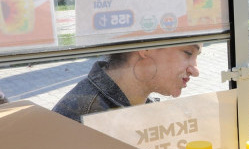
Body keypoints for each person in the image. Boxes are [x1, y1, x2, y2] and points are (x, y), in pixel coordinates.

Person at [52, 45, 201, 122]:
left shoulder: (106, 108)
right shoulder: (88, 118)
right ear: (147, 47)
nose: (195, 71)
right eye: (188, 53)